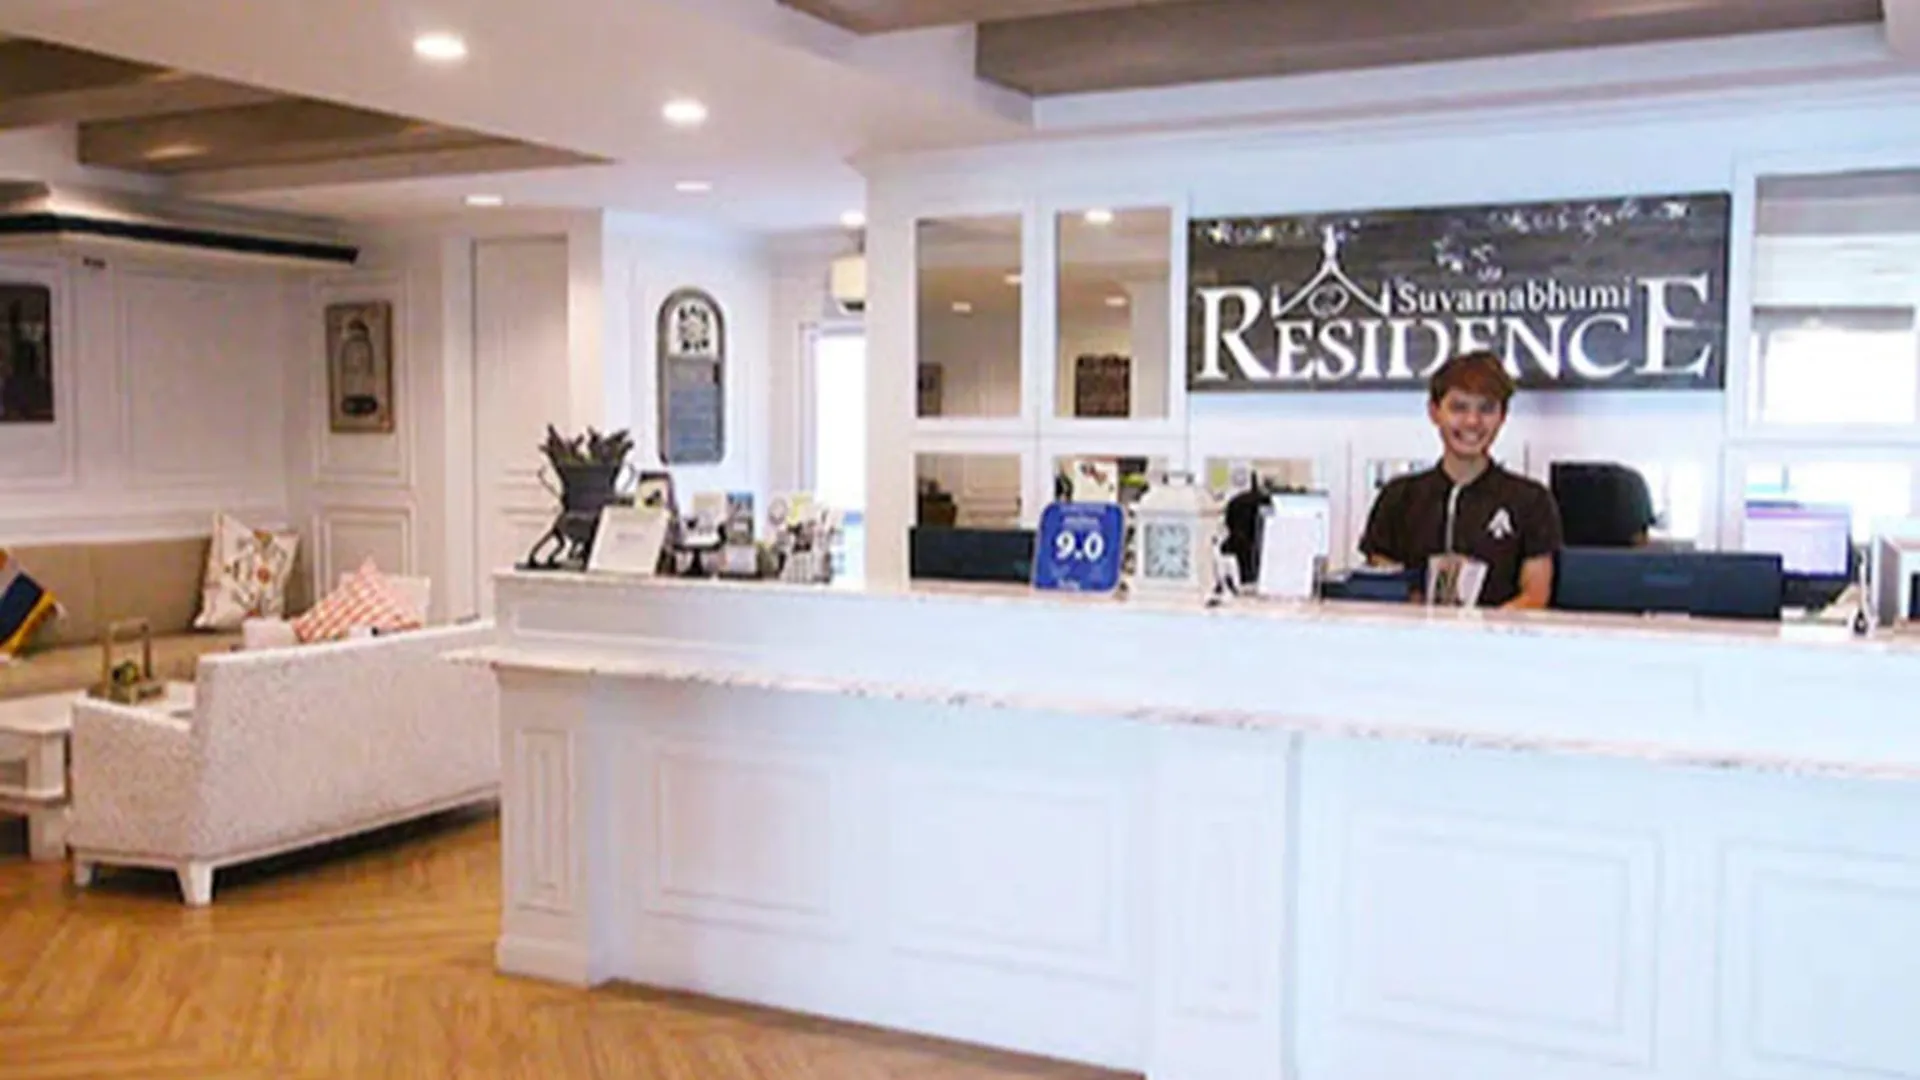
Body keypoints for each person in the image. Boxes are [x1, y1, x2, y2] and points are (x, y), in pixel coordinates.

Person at [1359, 350, 1563, 608]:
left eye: (1486, 409)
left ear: (1502, 416)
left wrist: (1477, 629)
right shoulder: (1397, 497)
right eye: (1458, 407)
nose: (1472, 421)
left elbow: (1535, 596)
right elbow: (1383, 587)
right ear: (1434, 412)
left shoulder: (1531, 501)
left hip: (1500, 634)